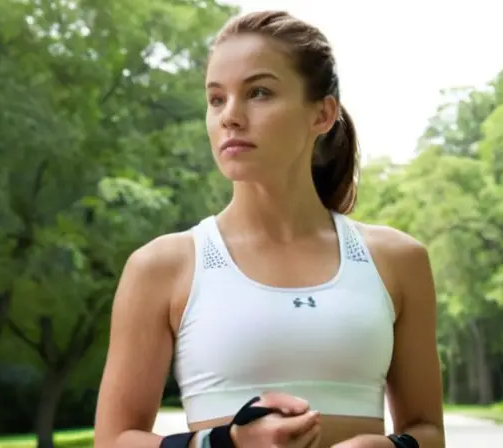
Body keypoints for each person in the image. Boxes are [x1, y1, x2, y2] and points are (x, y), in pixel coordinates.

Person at [93, 9, 445, 448]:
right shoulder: (160, 267)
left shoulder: (397, 260)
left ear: (322, 114)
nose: (230, 117)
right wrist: (226, 445)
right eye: (217, 99)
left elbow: (428, 431)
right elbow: (113, 440)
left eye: (258, 92)